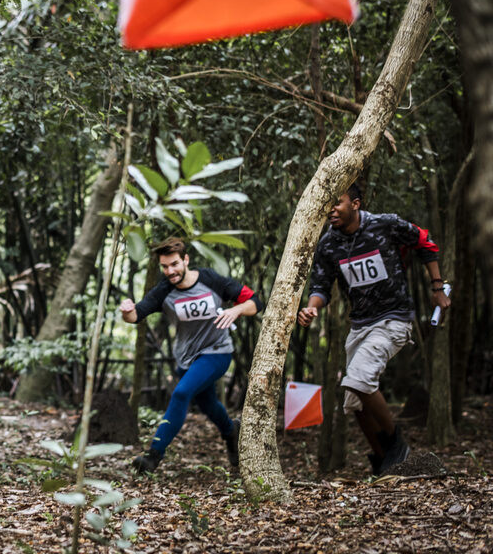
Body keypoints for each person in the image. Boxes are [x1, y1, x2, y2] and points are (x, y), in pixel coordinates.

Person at [297, 183, 450, 476]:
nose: (331, 209)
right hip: (360, 325)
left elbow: (425, 242)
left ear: (355, 204)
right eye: (327, 204)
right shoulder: (329, 244)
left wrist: (437, 287)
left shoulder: (386, 224)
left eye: (337, 202)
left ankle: (397, 443)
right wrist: (313, 306)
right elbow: (320, 284)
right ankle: (385, 462)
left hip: (394, 319)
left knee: (360, 378)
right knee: (353, 401)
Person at [120, 237, 263, 473]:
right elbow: (137, 315)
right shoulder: (164, 290)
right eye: (165, 267)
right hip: (186, 359)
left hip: (217, 352)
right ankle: (231, 431)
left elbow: (254, 301)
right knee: (208, 406)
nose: (170, 271)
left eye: (174, 264)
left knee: (181, 393)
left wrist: (236, 310)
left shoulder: (210, 280)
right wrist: (126, 311)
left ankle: (153, 455)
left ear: (186, 260)